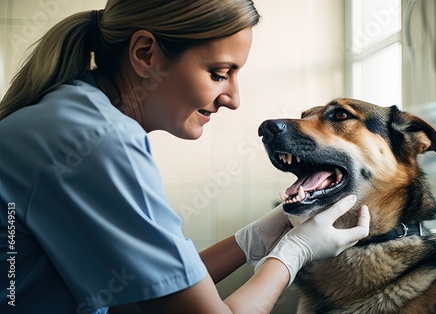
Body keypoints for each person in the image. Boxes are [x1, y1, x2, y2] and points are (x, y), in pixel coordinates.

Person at [0, 0, 370, 313]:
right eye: (219, 74)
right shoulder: (100, 141)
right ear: (145, 55)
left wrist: (252, 240)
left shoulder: (74, 112)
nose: (233, 99)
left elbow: (159, 292)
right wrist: (292, 254)